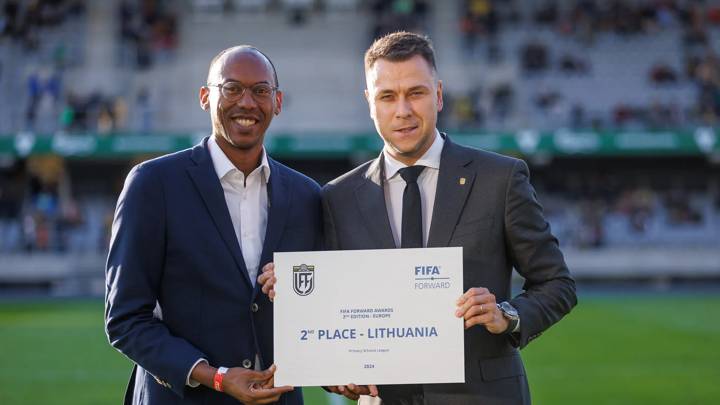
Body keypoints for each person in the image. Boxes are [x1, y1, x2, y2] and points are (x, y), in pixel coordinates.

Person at [263, 31, 577, 405]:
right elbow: (331, 308)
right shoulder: (337, 197)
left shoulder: (500, 178)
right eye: (387, 96)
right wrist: (331, 364)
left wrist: (506, 315)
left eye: (416, 93)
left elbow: (557, 283)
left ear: (439, 94)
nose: (403, 111)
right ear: (369, 103)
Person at [105, 45, 322, 405]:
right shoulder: (152, 184)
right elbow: (126, 319)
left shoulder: (306, 195)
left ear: (278, 101)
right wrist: (216, 377)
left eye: (260, 90)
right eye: (232, 88)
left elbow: (323, 301)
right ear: (206, 97)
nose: (247, 103)